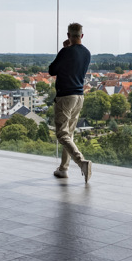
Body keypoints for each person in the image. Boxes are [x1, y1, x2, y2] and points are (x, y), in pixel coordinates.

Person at [48, 22, 92, 183]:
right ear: (82, 35)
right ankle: (63, 169)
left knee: (62, 134)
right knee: (69, 134)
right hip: (79, 96)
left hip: (65, 97)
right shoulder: (87, 53)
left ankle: (82, 162)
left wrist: (64, 49)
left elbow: (52, 70)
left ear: (68, 35)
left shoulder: (66, 51)